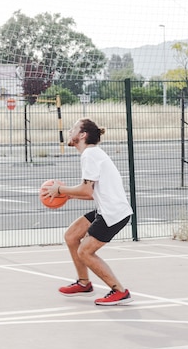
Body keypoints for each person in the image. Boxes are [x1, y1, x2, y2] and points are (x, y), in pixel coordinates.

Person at [42, 118, 133, 306]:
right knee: (72, 236)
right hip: (107, 208)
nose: (69, 131)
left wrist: (59, 190)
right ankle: (84, 283)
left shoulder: (90, 154)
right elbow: (91, 193)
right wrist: (70, 195)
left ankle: (119, 291)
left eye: (73, 128)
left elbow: (86, 190)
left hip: (113, 213)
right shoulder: (93, 154)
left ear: (82, 135)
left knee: (85, 251)